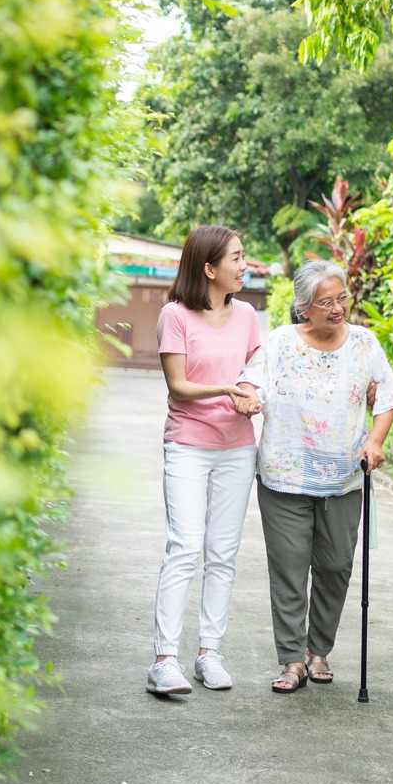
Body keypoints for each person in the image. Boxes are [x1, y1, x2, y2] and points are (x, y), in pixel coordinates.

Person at [237, 261, 393, 694]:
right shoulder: (278, 343)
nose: (337, 308)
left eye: (342, 298)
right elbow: (251, 382)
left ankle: (319, 650)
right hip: (285, 476)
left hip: (345, 477)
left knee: (335, 566)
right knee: (290, 569)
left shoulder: (365, 343)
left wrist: (376, 441)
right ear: (304, 309)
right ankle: (292, 659)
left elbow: (386, 396)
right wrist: (250, 398)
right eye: (325, 302)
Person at [146, 225, 263, 695]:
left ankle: (209, 653)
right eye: (236, 257)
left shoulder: (249, 314)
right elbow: (178, 384)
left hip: (238, 447)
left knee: (223, 553)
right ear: (209, 268)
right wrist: (226, 388)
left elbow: (256, 368)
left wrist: (251, 391)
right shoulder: (174, 316)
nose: (244, 264)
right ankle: (164, 660)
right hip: (189, 446)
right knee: (185, 547)